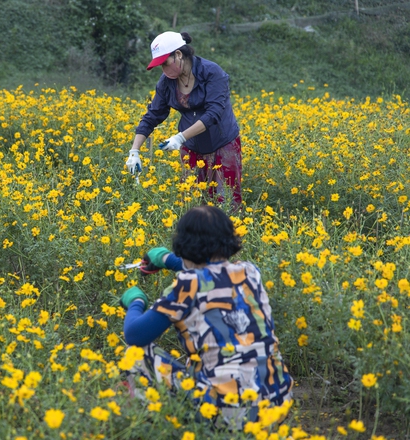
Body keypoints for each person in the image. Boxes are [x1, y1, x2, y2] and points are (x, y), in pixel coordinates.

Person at [119, 206, 293, 429]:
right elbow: (212, 271)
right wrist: (165, 259)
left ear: (183, 245)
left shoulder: (187, 285)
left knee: (135, 355)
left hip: (227, 413)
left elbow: (134, 334)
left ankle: (160, 428)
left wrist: (135, 301)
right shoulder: (251, 272)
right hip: (276, 408)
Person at [125, 31, 242, 208]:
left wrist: (180, 137)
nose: (164, 70)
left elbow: (214, 113)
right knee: (193, 203)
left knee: (226, 202)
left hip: (222, 143)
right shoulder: (166, 82)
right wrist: (134, 151)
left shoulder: (212, 73)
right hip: (192, 147)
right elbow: (152, 116)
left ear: (178, 54)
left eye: (165, 63)